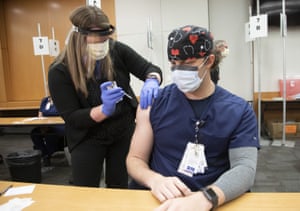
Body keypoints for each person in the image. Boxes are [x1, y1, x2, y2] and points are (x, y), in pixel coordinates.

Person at [126, 25, 260, 211]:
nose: (179, 71)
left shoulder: (239, 111)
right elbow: (135, 159)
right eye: (174, 64)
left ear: (209, 61)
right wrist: (154, 180)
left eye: (188, 65)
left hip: (214, 200)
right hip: (161, 199)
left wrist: (207, 198)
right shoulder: (155, 103)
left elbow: (244, 169)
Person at [48, 5, 162, 188]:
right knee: (86, 189)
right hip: (87, 137)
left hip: (122, 131)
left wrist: (152, 80)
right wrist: (104, 110)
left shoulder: (116, 50)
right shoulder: (60, 70)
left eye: (105, 37)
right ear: (79, 36)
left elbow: (150, 69)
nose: (102, 43)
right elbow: (72, 118)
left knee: (119, 187)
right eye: (97, 38)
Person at [30, 96, 65, 166]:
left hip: (59, 125)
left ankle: (48, 154)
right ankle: (44, 154)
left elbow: (64, 115)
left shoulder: (62, 99)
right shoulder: (45, 100)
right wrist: (42, 125)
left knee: (50, 134)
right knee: (34, 133)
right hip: (45, 125)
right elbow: (40, 115)